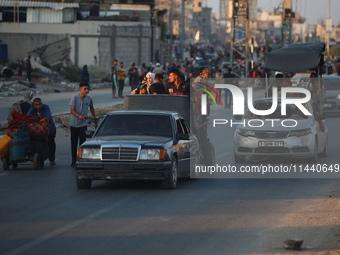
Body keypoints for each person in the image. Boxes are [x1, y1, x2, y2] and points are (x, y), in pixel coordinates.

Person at [69, 82, 97, 167]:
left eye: (87, 89)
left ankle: (81, 159)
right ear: (80, 89)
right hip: (74, 124)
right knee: (74, 143)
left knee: (82, 143)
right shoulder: (74, 98)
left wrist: (94, 118)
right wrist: (78, 116)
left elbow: (92, 107)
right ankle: (74, 160)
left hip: (83, 125)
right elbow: (72, 110)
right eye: (85, 89)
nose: (86, 90)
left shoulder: (89, 98)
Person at [27, 98, 56, 166]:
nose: (39, 106)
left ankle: (52, 160)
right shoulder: (32, 110)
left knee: (51, 143)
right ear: (34, 105)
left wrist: (44, 121)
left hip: (49, 129)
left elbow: (49, 117)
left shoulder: (46, 107)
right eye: (37, 105)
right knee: (37, 143)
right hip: (39, 130)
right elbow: (27, 117)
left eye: (40, 104)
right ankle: (40, 156)